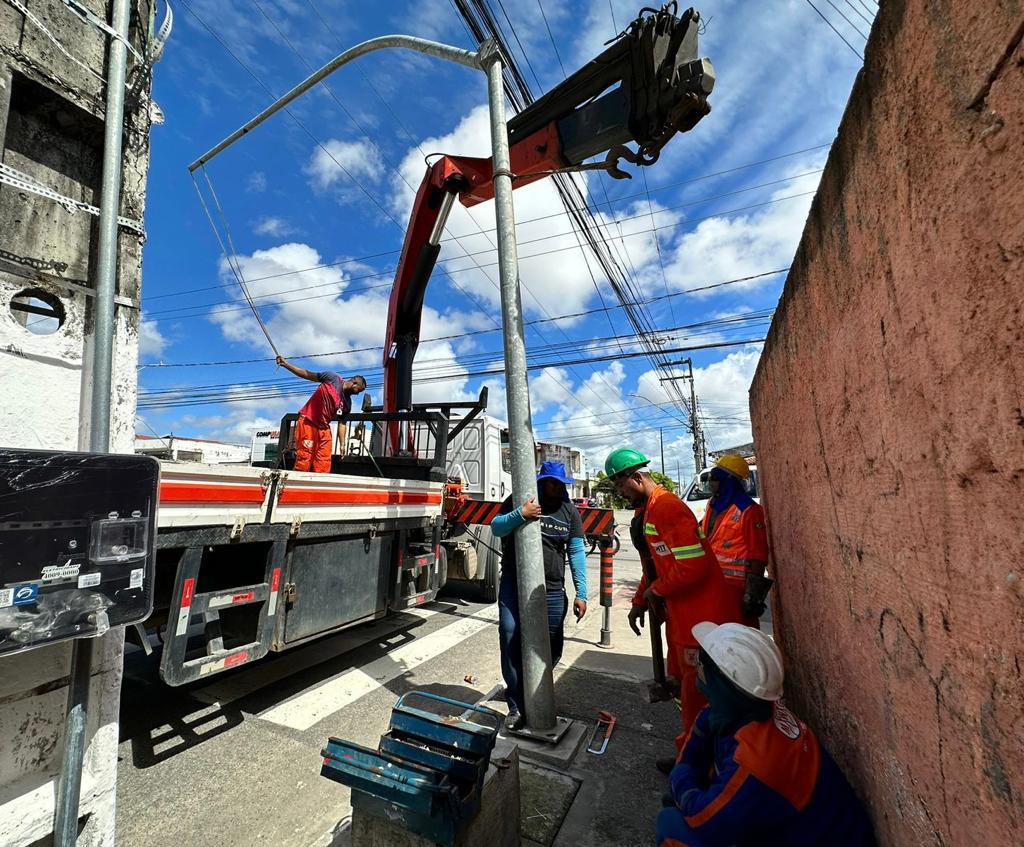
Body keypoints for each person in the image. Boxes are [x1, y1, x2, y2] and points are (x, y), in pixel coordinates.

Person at [657, 622, 877, 847]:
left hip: (820, 837)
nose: (698, 677)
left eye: (703, 670)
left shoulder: (755, 762)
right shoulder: (756, 711)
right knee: (682, 800)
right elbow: (698, 746)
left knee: (670, 824)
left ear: (722, 687)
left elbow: (702, 820)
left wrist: (681, 779)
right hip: (813, 828)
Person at [605, 447, 739, 769]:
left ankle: (700, 769)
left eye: (620, 485)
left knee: (698, 694)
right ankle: (689, 756)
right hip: (683, 617)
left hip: (702, 618)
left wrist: (657, 590)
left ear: (636, 477)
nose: (620, 493)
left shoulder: (667, 508)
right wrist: (640, 600)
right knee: (684, 690)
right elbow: (655, 565)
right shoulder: (647, 512)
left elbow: (694, 565)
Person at [489, 461, 588, 730]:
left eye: (559, 483)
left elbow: (576, 552)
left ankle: (536, 693)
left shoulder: (569, 511)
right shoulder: (522, 500)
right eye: (549, 482)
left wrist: (582, 592)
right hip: (514, 582)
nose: (554, 487)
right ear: (541, 481)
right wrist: (521, 514)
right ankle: (516, 704)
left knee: (550, 647)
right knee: (509, 634)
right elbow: (496, 527)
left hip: (552, 589)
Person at [700, 455, 771, 627]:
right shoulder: (712, 504)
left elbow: (758, 555)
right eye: (709, 477)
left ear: (728, 481)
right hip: (714, 582)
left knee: (739, 632)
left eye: (715, 478)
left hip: (737, 587)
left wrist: (752, 595)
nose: (710, 482)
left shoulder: (749, 510)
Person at [276, 356, 366, 473]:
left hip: (324, 428)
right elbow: (307, 374)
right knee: (305, 458)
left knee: (324, 462)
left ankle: (317, 482)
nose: (358, 394)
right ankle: (297, 483)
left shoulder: (347, 403)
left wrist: (342, 444)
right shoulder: (333, 378)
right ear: (354, 383)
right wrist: (286, 364)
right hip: (309, 422)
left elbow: (342, 423)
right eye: (359, 390)